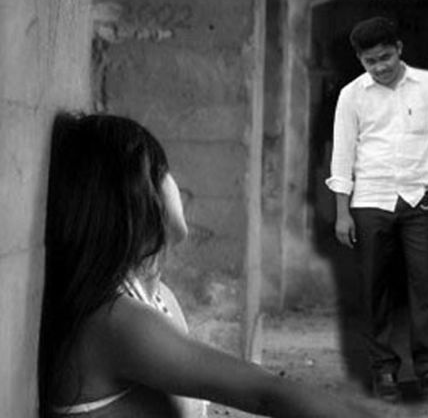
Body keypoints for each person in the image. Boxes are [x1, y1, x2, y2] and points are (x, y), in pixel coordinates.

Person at [39, 112, 377, 418]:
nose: (176, 186)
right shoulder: (115, 320)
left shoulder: (152, 297)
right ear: (136, 196)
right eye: (162, 173)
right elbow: (265, 394)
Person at [325, 16, 428, 403]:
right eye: (370, 61)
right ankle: (383, 370)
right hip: (370, 201)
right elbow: (343, 155)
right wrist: (342, 212)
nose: (380, 67)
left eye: (386, 57)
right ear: (360, 60)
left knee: (426, 284)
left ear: (399, 49)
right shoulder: (352, 95)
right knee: (375, 287)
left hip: (421, 199)